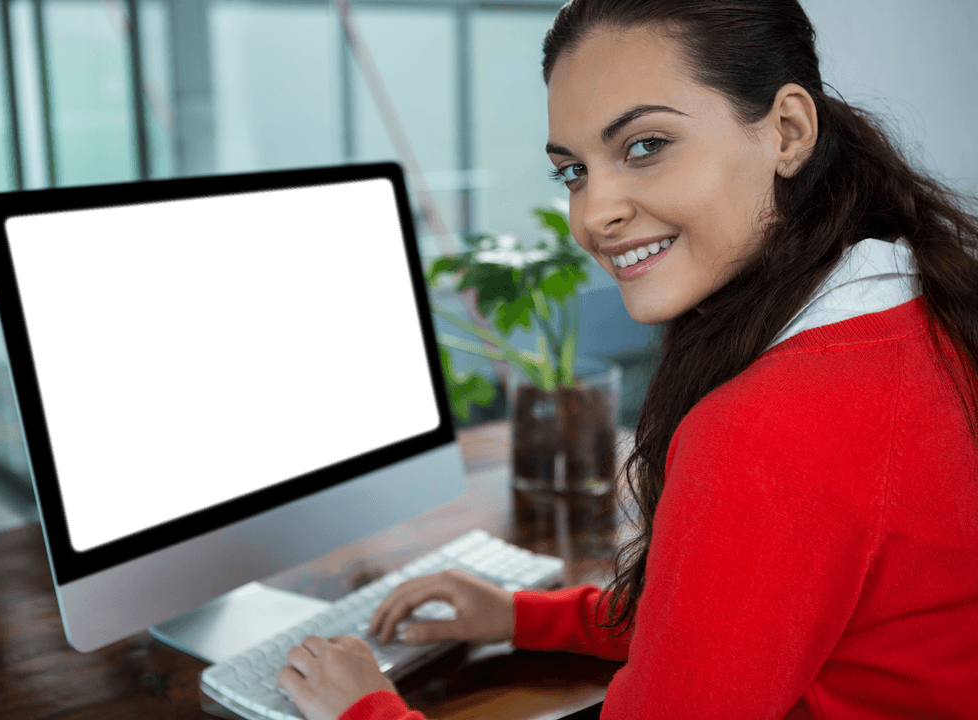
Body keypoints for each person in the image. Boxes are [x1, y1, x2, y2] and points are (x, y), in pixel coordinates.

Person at [275, 1, 978, 717]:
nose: (591, 215)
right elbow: (740, 622)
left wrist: (364, 709)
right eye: (573, 170)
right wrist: (523, 616)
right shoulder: (916, 311)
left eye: (646, 145)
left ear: (788, 131)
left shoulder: (765, 431)